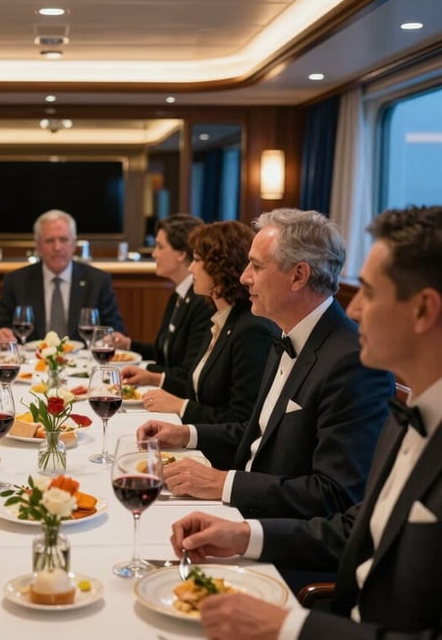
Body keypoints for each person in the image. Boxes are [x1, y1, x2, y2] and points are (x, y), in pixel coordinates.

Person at [169, 206, 442, 640]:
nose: (353, 307)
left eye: (369, 292)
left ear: (423, 310)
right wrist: (243, 533)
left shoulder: (352, 363)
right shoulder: (410, 413)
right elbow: (355, 527)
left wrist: (291, 634)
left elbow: (334, 496)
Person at [138, 208, 393, 520]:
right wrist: (187, 434)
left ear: (298, 275)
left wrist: (224, 484)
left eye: (256, 266)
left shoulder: (352, 362)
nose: (244, 276)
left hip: (278, 537)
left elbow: (334, 495)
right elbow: (259, 435)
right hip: (241, 511)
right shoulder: (286, 333)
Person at [126, 220, 278, 424]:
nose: (190, 268)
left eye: (197, 260)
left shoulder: (251, 329)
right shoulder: (220, 317)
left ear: (221, 265)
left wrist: (181, 406)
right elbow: (197, 387)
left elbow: (243, 422)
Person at [0, 209, 125, 342]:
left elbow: (116, 330)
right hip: (32, 364)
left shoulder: (98, 281)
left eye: (64, 239)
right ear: (38, 246)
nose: (57, 247)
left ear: (74, 244)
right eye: (50, 241)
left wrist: (115, 338)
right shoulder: (16, 281)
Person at [112, 213, 213, 382]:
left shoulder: (201, 301)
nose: (154, 254)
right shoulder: (178, 294)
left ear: (181, 253)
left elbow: (188, 371)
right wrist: (128, 345)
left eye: (160, 246)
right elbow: (164, 355)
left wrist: (144, 370)